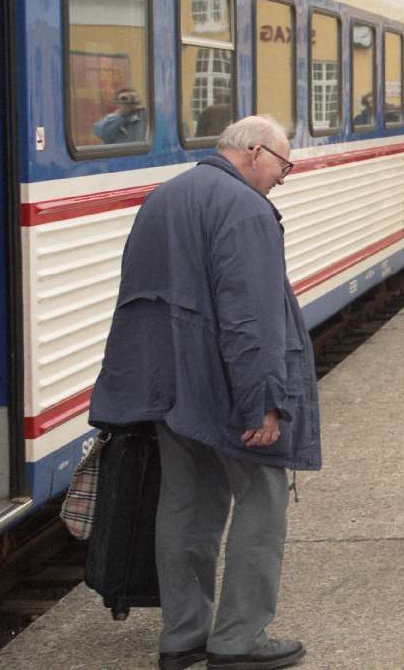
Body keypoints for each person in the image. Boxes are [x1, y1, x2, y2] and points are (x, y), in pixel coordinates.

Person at [90, 116, 318, 670]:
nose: (283, 178)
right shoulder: (245, 208)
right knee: (262, 499)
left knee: (186, 502)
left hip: (170, 386)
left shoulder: (164, 197)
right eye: (283, 165)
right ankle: (240, 638)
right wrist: (263, 400)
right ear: (256, 152)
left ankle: (182, 636)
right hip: (225, 386)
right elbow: (251, 317)